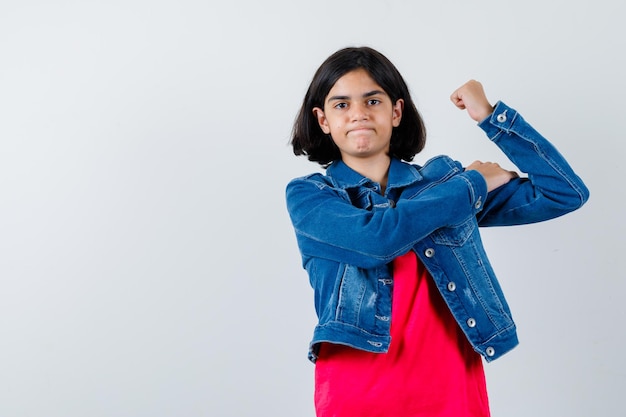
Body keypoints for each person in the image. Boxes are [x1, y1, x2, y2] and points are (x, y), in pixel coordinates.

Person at [285, 46, 589, 417]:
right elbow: (376, 240)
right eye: (342, 105)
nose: (359, 114)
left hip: (452, 390)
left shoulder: (443, 186)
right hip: (358, 394)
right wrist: (474, 182)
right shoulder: (310, 196)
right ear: (323, 120)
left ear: (396, 112)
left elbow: (564, 193)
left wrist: (492, 118)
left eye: (373, 100)